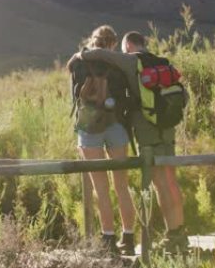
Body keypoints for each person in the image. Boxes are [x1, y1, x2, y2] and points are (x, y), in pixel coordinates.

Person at [79, 31, 188, 254]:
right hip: (168, 127)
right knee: (171, 180)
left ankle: (171, 236)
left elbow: (99, 53)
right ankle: (179, 234)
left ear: (128, 45)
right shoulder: (162, 62)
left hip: (147, 127)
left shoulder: (131, 59)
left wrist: (78, 55)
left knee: (159, 181)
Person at [67, 25, 136, 256]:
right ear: (113, 43)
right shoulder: (118, 61)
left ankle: (108, 238)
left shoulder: (77, 61)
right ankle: (128, 236)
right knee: (122, 186)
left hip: (89, 127)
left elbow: (75, 97)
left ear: (93, 40)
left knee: (101, 188)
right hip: (116, 124)